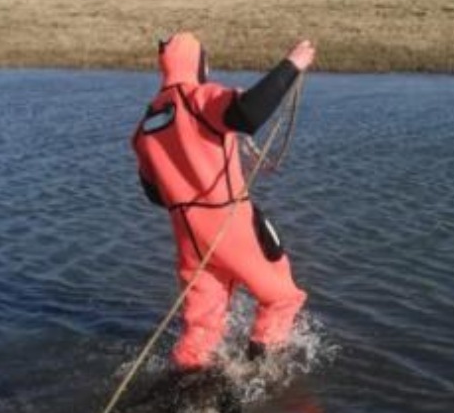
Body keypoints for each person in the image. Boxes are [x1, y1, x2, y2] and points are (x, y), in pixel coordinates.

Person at [131, 31, 316, 374]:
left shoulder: (146, 125)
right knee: (282, 297)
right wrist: (294, 64)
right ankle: (261, 373)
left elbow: (155, 194)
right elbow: (248, 115)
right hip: (231, 224)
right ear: (196, 62)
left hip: (188, 237)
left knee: (202, 324)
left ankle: (186, 385)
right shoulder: (198, 98)